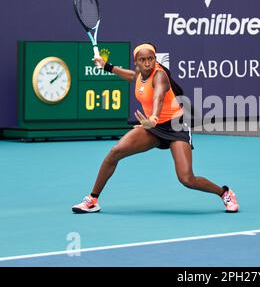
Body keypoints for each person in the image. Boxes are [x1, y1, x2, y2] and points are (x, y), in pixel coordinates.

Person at [72, 43, 239, 213]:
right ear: (136, 62)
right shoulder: (139, 73)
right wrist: (108, 66)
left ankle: (224, 193)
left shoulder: (160, 76)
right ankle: (93, 199)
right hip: (152, 128)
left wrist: (153, 118)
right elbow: (132, 76)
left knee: (187, 178)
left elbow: (158, 96)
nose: (147, 63)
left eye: (150, 59)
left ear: (155, 59)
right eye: (142, 60)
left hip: (175, 127)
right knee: (115, 152)